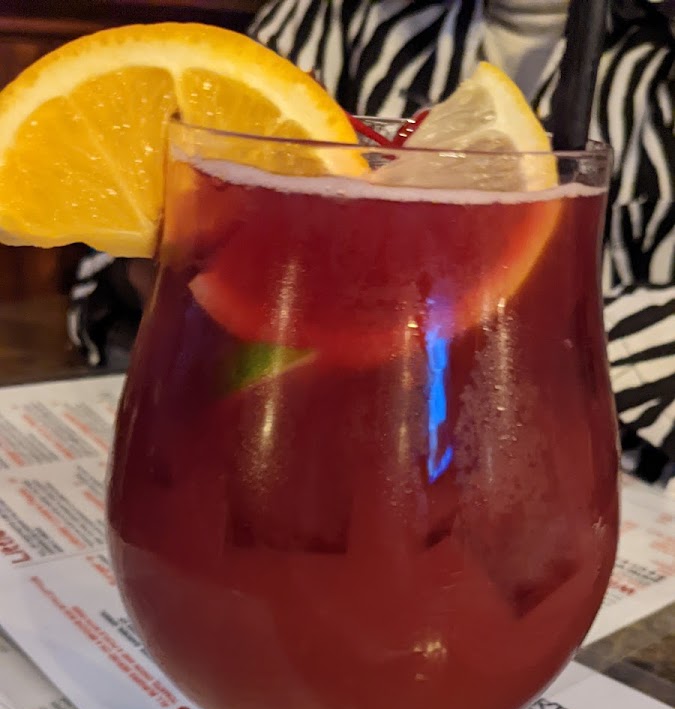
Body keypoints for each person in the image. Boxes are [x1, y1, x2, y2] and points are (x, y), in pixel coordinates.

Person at [67, 0, 675, 484]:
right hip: (269, 452)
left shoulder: (658, 64)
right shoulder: (333, 13)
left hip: (537, 469)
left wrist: (519, 344)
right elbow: (144, 241)